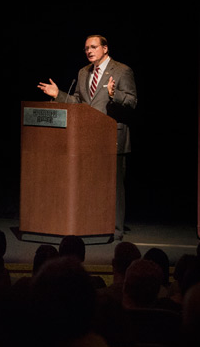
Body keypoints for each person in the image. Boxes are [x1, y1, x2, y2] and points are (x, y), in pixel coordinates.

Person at [37, 34, 137, 240]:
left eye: (93, 47)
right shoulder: (83, 73)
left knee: (114, 188)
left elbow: (132, 101)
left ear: (105, 48)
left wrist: (113, 95)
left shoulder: (122, 70)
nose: (89, 51)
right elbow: (79, 102)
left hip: (112, 137)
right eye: (86, 48)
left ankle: (115, 231)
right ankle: (92, 225)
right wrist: (59, 95)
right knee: (90, 183)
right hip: (87, 137)